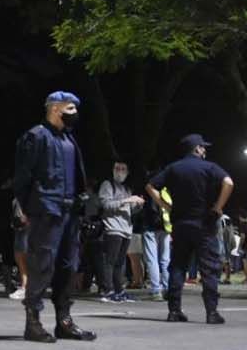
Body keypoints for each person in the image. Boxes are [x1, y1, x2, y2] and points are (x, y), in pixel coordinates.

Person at [11, 91, 96, 343]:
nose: (75, 114)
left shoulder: (69, 139)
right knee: (41, 265)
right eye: (70, 109)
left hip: (70, 211)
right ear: (55, 108)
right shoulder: (36, 136)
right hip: (46, 210)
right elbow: (23, 177)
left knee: (68, 267)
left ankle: (64, 322)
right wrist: (27, 208)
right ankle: (33, 323)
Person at [145, 134, 234, 325]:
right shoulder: (209, 167)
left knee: (177, 266)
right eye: (202, 147)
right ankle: (211, 312)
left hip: (180, 224)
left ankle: (174, 310)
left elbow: (150, 186)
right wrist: (218, 206)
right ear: (196, 149)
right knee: (209, 268)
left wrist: (165, 206)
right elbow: (229, 182)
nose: (204, 150)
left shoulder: (173, 168)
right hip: (205, 223)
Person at [97, 161, 144, 303]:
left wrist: (137, 205)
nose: (120, 171)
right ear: (112, 170)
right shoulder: (107, 185)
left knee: (120, 262)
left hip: (126, 229)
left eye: (123, 169)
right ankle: (108, 290)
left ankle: (119, 290)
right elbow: (106, 204)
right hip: (113, 228)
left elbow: (130, 210)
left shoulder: (126, 188)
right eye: (117, 168)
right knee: (110, 261)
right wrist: (127, 200)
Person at [139, 183, 172, 301]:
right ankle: (168, 289)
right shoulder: (166, 190)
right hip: (165, 228)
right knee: (165, 260)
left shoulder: (148, 190)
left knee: (152, 260)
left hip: (150, 227)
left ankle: (156, 291)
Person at [8, 197, 29, 300]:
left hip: (24, 229)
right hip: (22, 229)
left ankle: (26, 287)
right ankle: (25, 286)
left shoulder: (23, 197)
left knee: (22, 259)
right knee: (21, 260)